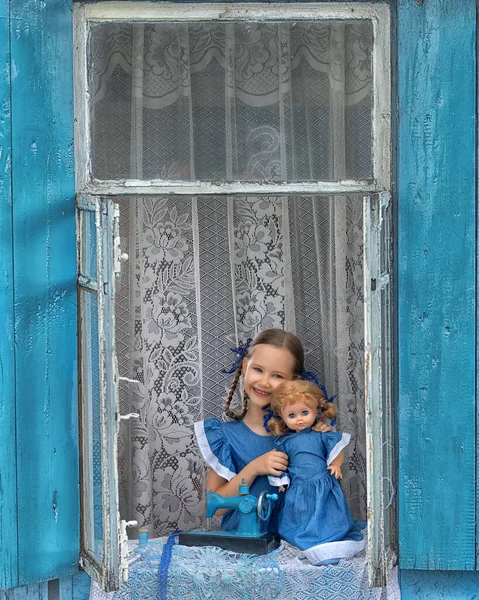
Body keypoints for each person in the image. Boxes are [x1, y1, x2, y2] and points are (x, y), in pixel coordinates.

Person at [194, 328, 331, 533]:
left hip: (296, 540)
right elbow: (217, 507)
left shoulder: (305, 434)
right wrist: (254, 468)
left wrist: (320, 439)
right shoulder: (224, 436)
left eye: (277, 375)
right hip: (244, 543)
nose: (265, 382)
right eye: (258, 369)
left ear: (293, 382)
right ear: (244, 366)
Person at [266, 379, 366, 565]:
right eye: (292, 415)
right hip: (298, 487)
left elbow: (336, 451)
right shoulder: (285, 442)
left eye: (305, 412)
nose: (300, 419)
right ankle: (308, 540)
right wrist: (281, 481)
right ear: (282, 416)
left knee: (327, 512)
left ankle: (329, 536)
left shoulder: (322, 436)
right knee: (301, 515)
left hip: (323, 483)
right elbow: (281, 464)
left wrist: (336, 465)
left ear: (316, 411)